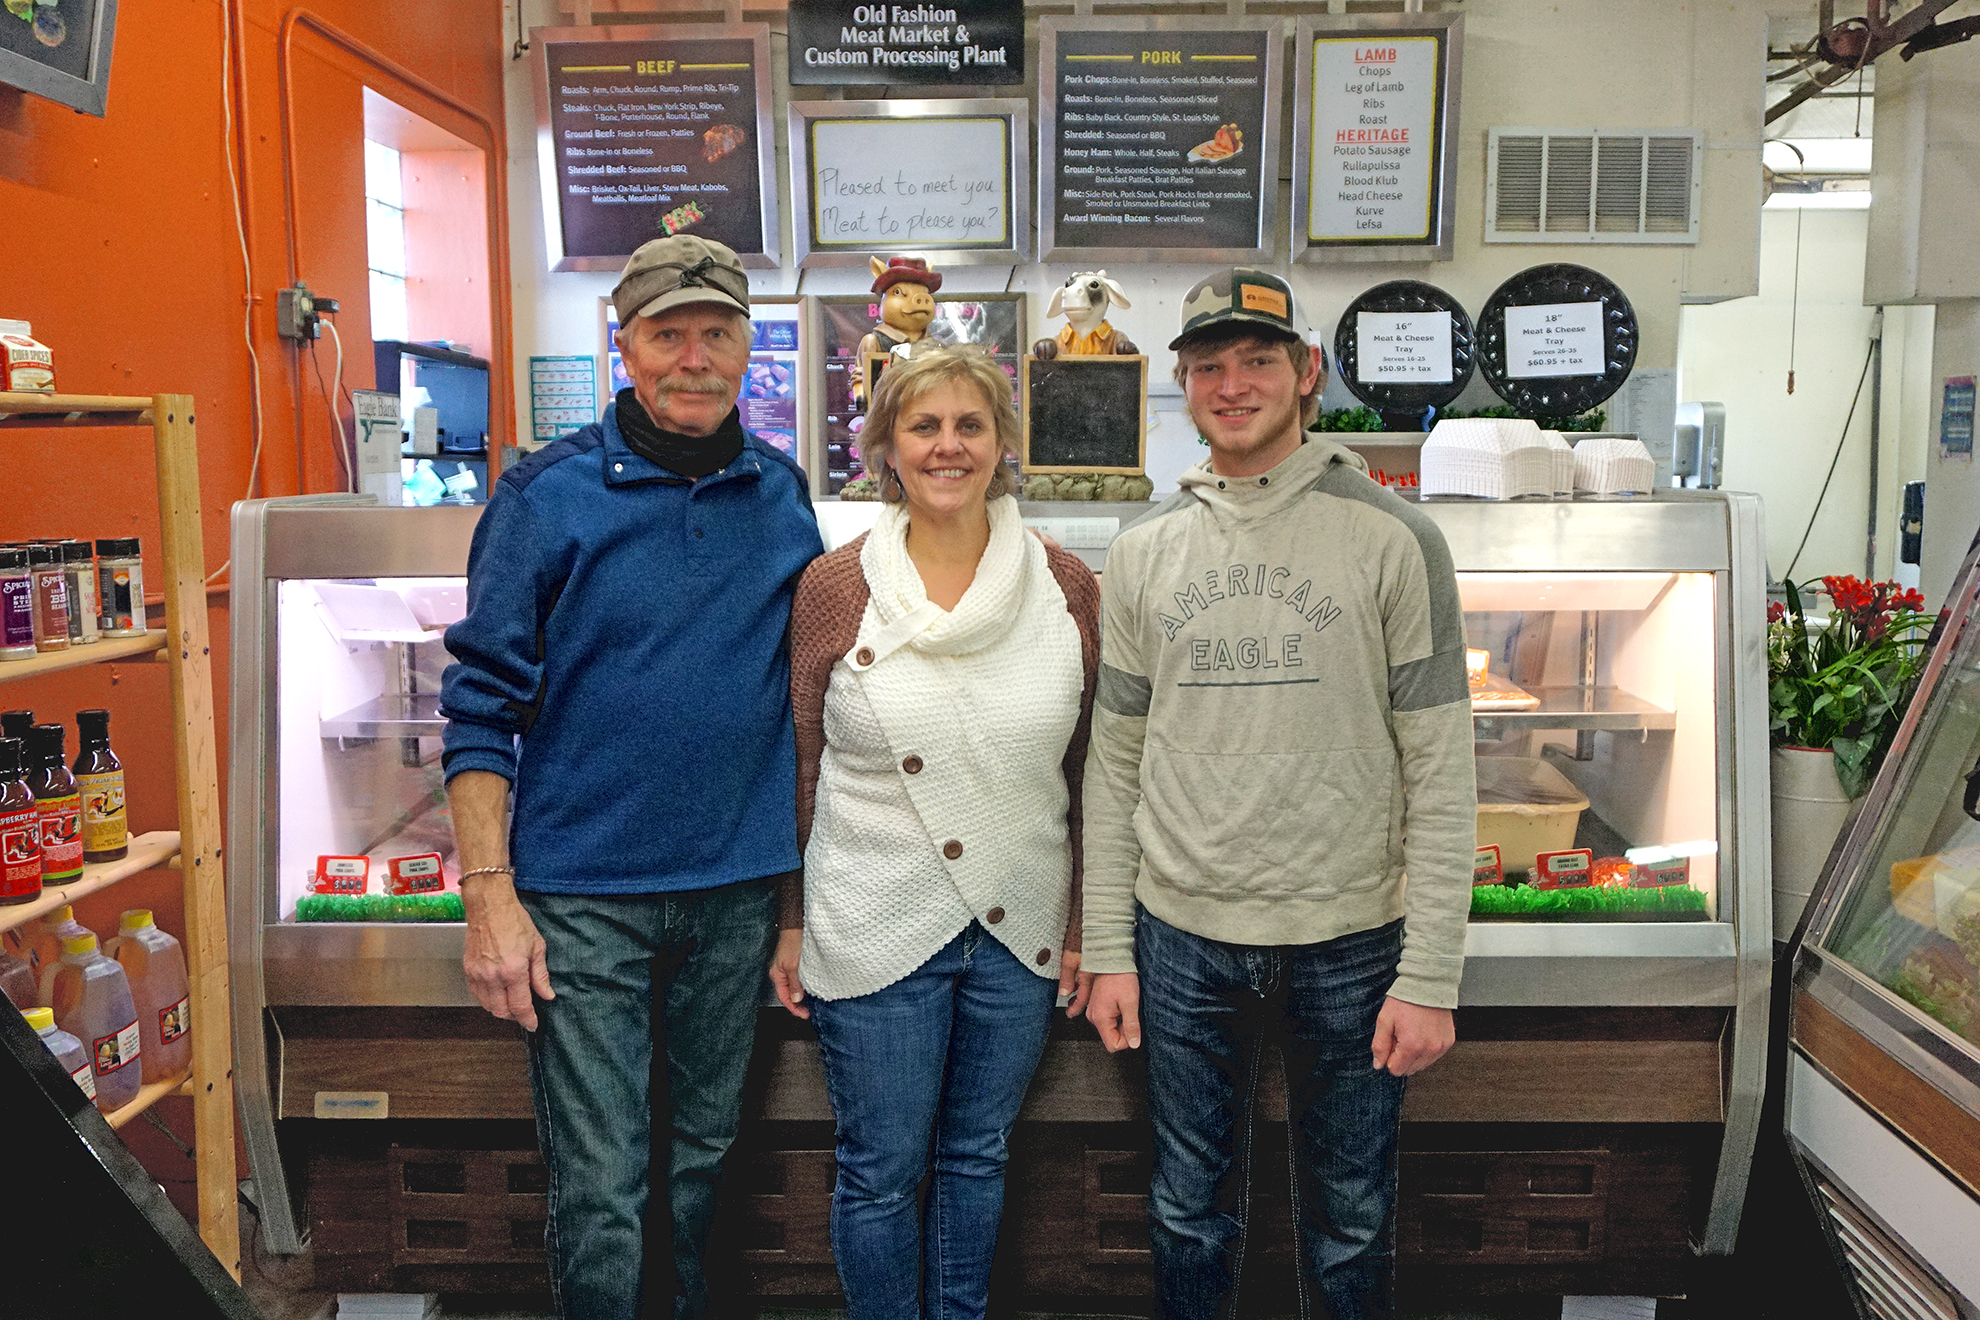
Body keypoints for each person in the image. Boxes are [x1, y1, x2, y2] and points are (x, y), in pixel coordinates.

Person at [440, 234, 823, 1320]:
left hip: (737, 890)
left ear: (748, 347)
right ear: (624, 347)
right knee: (604, 1185)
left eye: (715, 333)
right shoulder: (545, 498)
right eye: (668, 334)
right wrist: (489, 896)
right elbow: (477, 709)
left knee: (705, 1160)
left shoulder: (783, 494)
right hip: (582, 900)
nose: (693, 357)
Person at [1080, 269, 1475, 1320]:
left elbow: (1441, 764)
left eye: (1258, 358)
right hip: (1180, 935)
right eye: (1209, 364)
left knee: (1350, 1218)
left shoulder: (1396, 539)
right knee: (1185, 1210)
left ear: (1307, 374)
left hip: (1353, 935)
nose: (1233, 382)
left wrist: (1431, 969)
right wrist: (1112, 947)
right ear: (1183, 386)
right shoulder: (1146, 550)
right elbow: (1116, 764)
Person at [768, 347, 1100, 1320]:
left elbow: (1091, 775)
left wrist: (1084, 925)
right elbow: (800, 763)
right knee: (878, 1170)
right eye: (924, 426)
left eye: (970, 425)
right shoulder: (836, 587)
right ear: (886, 449)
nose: (948, 446)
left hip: (1021, 927)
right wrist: (790, 920)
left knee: (978, 1156)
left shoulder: (1065, 584)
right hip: (871, 922)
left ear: (1003, 446)